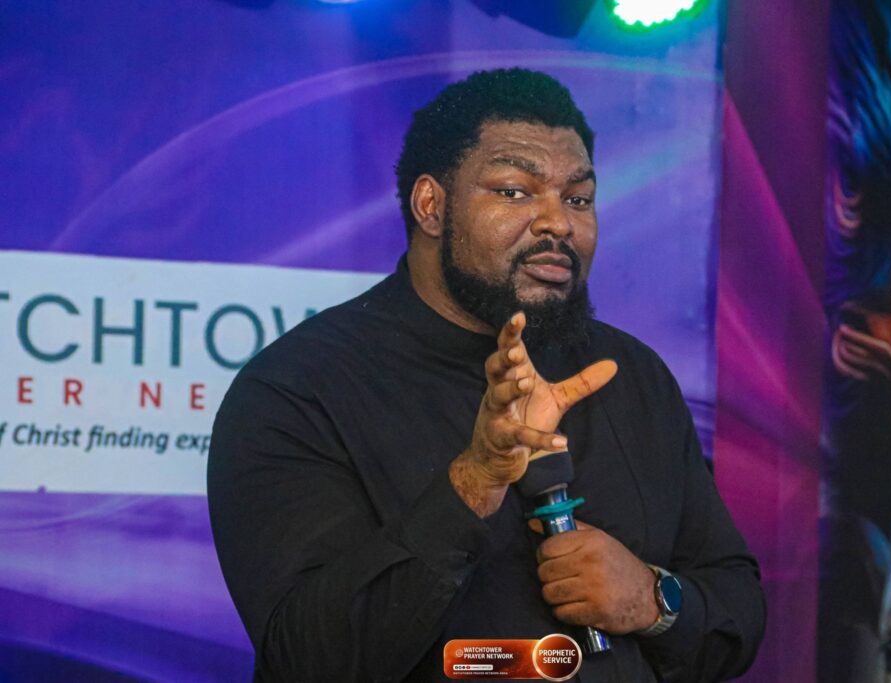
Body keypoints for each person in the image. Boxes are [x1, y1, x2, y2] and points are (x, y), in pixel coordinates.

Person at [208, 68, 765, 682]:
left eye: (578, 199)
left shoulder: (629, 373)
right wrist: (474, 482)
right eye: (515, 191)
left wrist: (653, 601)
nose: (558, 223)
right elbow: (307, 660)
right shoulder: (296, 389)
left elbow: (737, 612)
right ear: (432, 205)